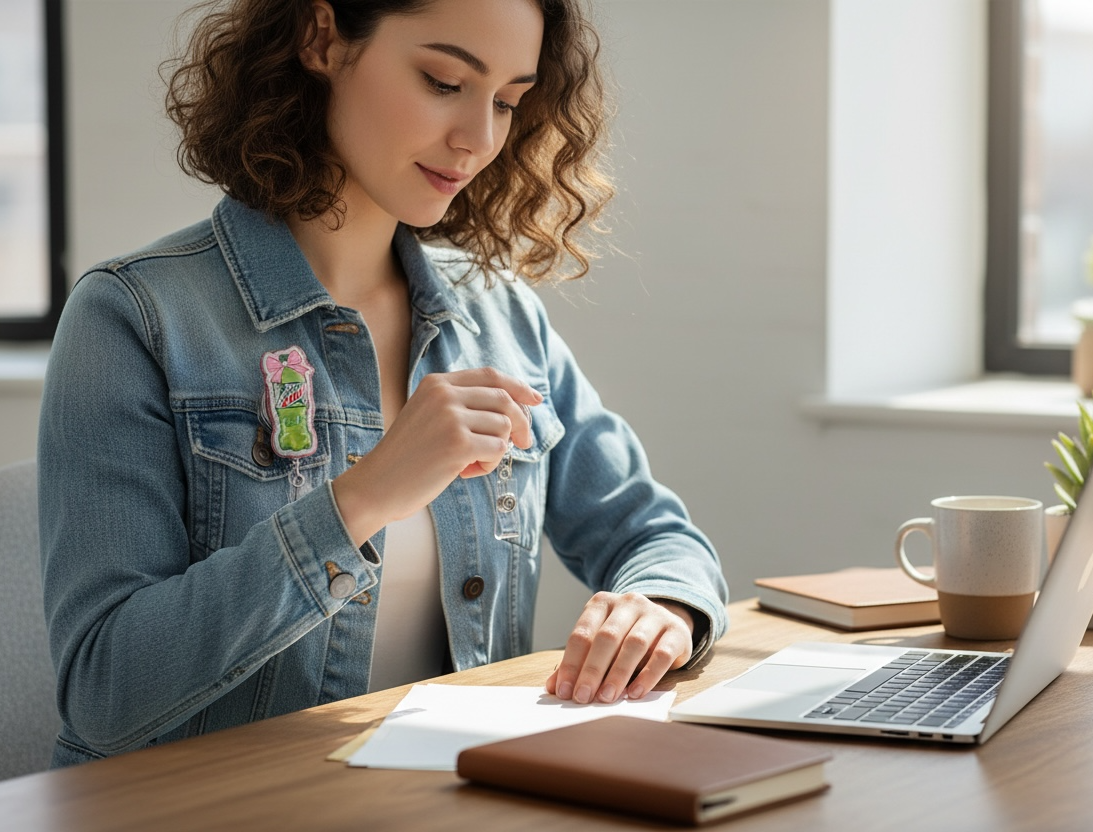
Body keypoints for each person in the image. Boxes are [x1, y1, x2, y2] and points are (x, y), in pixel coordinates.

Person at [38, 0, 727, 767]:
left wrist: (661, 606)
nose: (480, 138)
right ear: (321, 39)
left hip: (445, 801)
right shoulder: (134, 318)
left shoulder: (498, 316)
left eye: (506, 102)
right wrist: (362, 499)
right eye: (442, 81)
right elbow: (105, 692)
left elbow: (653, 535)